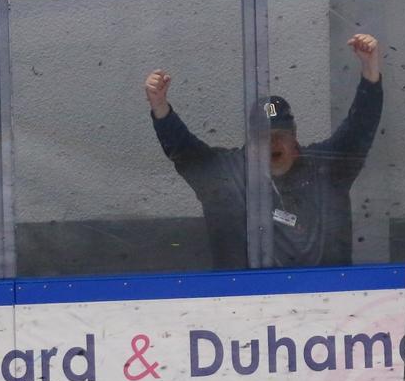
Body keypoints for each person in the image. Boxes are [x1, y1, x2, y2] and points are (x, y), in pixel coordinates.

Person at [144, 33, 385, 269]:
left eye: (280, 135)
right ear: (250, 141)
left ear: (294, 139)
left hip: (326, 291)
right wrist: (160, 107)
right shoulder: (226, 176)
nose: (272, 143)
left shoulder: (325, 169)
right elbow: (185, 151)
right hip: (240, 294)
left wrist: (370, 73)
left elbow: (358, 130)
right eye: (263, 137)